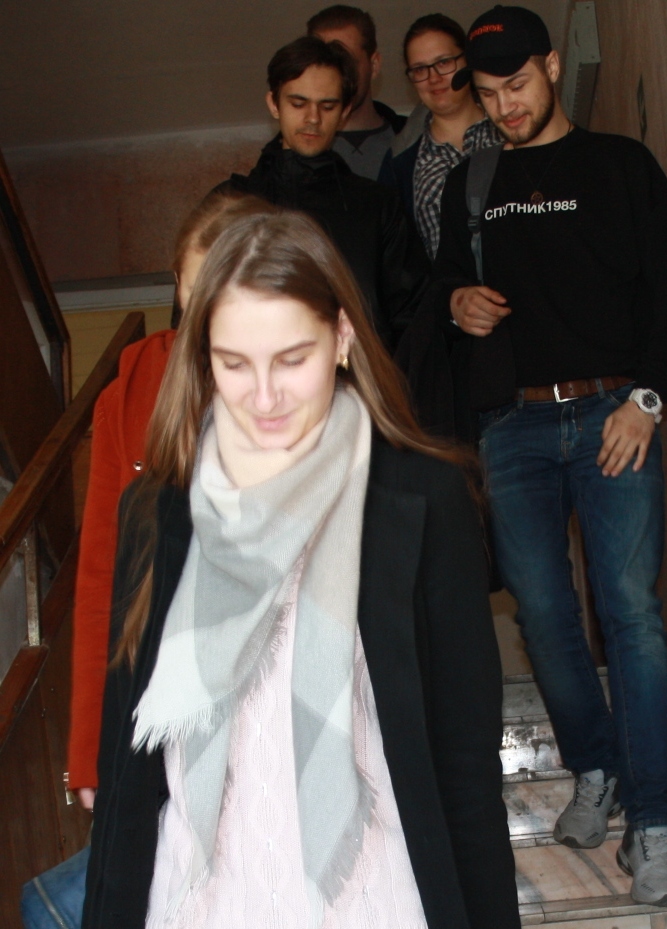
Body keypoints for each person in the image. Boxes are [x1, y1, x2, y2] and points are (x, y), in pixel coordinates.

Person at [82, 209, 518, 929]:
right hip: (199, 900)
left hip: (368, 897)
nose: (264, 397)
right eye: (234, 363)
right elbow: (129, 780)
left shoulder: (423, 499)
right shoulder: (157, 512)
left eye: (292, 359)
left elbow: (465, 772)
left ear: (342, 338)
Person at [434, 5, 667, 908]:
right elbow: (442, 291)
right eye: (486, 93)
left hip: (613, 413)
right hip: (513, 428)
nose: (504, 106)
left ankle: (654, 822)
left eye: (516, 85)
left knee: (631, 614)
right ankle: (597, 766)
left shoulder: (621, 165)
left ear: (552, 68)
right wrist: (458, 304)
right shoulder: (471, 185)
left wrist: (648, 399)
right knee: (545, 616)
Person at [66, 190, 275, 812]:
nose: (208, 303)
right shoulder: (130, 389)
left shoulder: (297, 383)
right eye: (195, 283)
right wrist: (89, 751)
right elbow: (100, 576)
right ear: (177, 284)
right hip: (158, 681)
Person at [230, 35, 429, 353]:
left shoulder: (377, 207)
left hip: (361, 381)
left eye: (327, 106)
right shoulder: (230, 206)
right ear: (274, 104)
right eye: (298, 103)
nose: (313, 118)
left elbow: (412, 322)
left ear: (344, 111)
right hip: (253, 380)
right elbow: (193, 318)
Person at [382, 14, 500, 260]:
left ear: (467, 60)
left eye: (444, 62)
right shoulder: (401, 162)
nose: (433, 78)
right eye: (420, 69)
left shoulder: (509, 131)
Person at [306, 5, 409, 180]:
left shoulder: (414, 139)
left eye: (347, 62)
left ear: (374, 65)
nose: (336, 74)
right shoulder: (286, 154)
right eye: (325, 64)